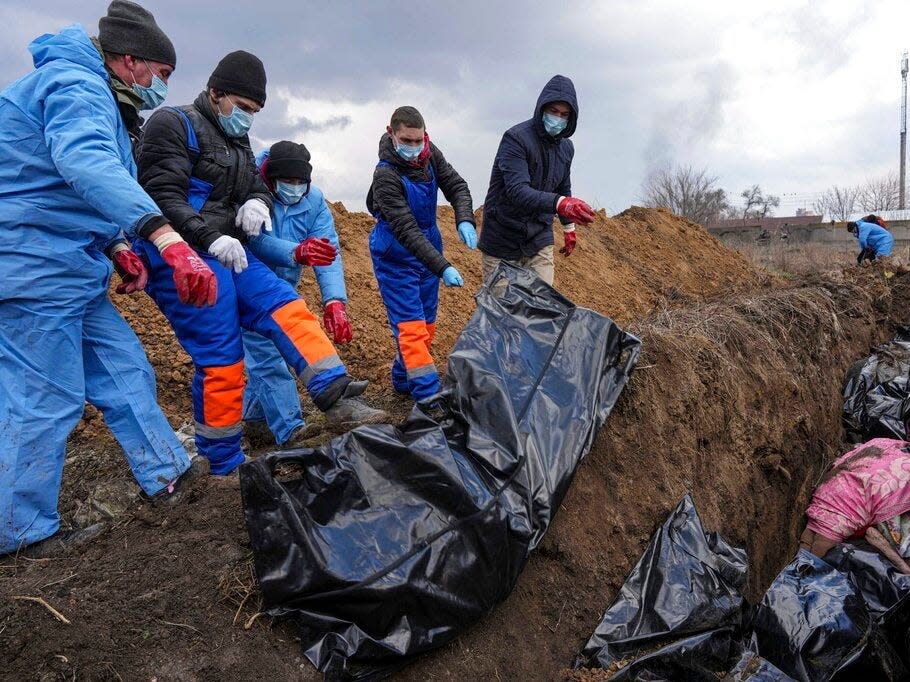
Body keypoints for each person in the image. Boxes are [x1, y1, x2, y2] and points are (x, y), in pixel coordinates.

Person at [0, 1, 218, 556]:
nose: (161, 87)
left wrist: (119, 244)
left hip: (70, 267)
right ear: (131, 61)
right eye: (161, 76)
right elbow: (83, 163)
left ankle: (168, 474)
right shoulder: (76, 85)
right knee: (44, 397)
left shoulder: (105, 103)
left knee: (125, 368)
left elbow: (73, 188)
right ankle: (20, 533)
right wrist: (163, 236)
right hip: (29, 264)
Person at [136, 51, 386, 476]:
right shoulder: (172, 124)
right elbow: (161, 195)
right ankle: (224, 464)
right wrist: (209, 237)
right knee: (223, 358)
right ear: (215, 93)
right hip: (181, 253)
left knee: (287, 307)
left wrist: (256, 200)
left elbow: (255, 184)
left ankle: (338, 398)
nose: (248, 118)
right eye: (245, 107)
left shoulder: (237, 141)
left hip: (229, 250)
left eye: (255, 111)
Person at [242, 141, 352, 446]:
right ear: (271, 177)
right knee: (266, 358)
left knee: (269, 352)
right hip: (249, 285)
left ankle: (254, 421)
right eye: (286, 182)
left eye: (300, 183)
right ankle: (291, 431)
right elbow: (253, 240)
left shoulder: (313, 201)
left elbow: (328, 251)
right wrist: (296, 252)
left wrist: (334, 301)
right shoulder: (252, 192)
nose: (293, 188)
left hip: (283, 289)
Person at [367, 105, 476, 402]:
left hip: (428, 249)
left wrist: (464, 217)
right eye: (407, 141)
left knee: (426, 325)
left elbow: (457, 185)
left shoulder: (430, 154)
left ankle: (402, 379)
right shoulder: (385, 176)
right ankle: (428, 398)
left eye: (418, 141)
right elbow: (406, 229)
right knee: (411, 330)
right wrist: (443, 267)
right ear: (392, 135)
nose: (414, 148)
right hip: (396, 256)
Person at [478, 75, 596, 286]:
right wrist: (559, 203)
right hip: (503, 237)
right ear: (542, 109)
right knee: (502, 312)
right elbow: (517, 191)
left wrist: (568, 228)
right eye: (553, 112)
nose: (558, 118)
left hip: (539, 237)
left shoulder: (566, 148)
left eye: (564, 115)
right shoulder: (515, 139)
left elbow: (563, 186)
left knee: (542, 307)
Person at [799, 438, 910, 572]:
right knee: (810, 562)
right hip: (845, 514)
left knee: (808, 543)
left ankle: (798, 567)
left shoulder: (885, 442)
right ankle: (799, 574)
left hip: (826, 493)